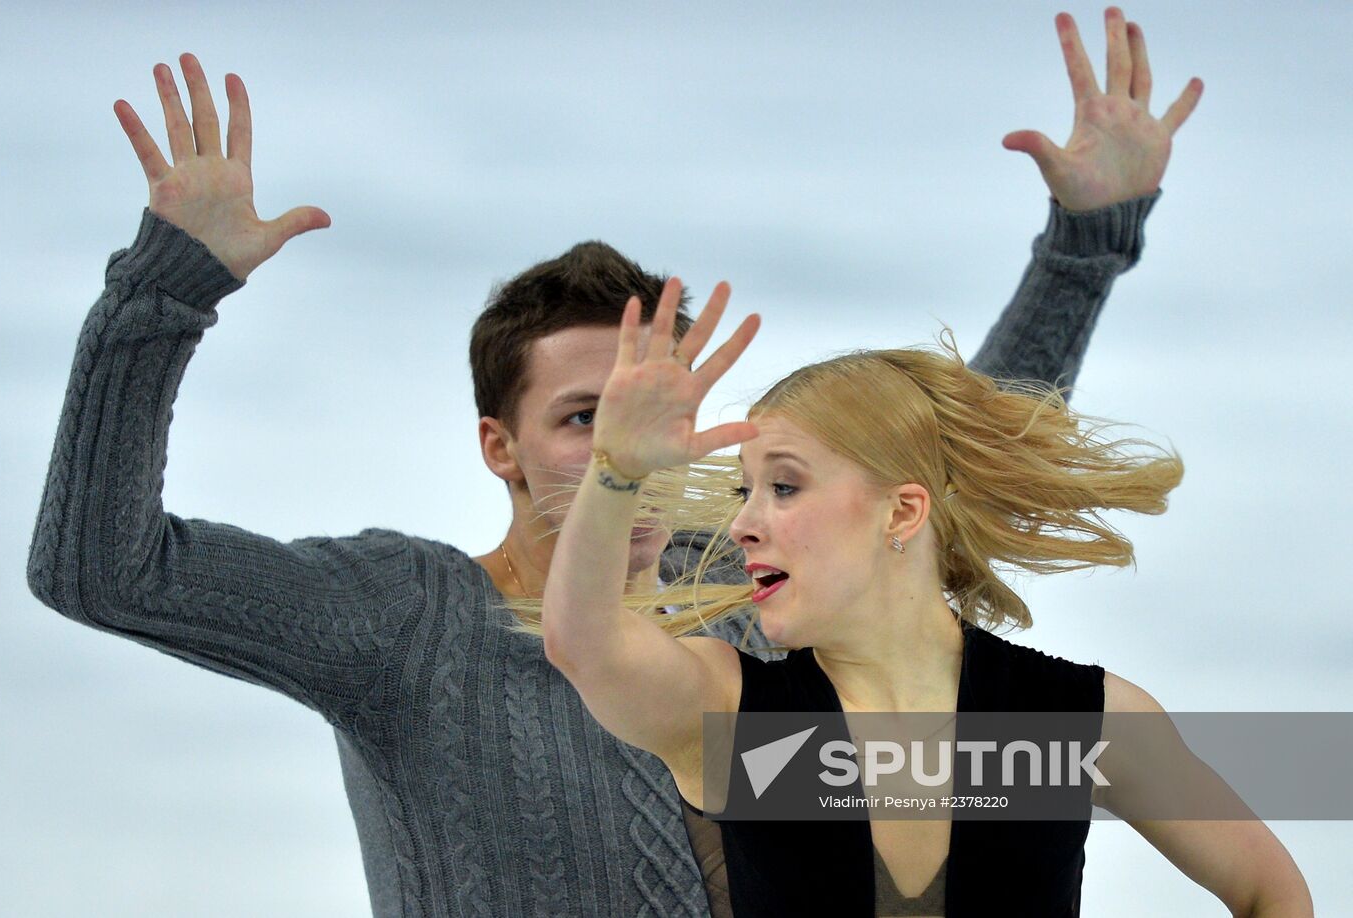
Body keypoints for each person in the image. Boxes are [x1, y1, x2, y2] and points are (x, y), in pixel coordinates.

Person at [26, 7, 1198, 916]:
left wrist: (1083, 247)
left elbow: (945, 462)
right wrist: (163, 298)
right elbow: (99, 571)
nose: (631, 447)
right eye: (584, 416)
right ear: (499, 445)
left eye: (660, 407)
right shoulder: (406, 619)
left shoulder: (755, 595)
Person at [539, 280, 1314, 915]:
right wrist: (616, 470)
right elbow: (585, 645)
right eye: (745, 491)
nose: (741, 523)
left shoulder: (1080, 720)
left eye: (783, 486)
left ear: (903, 512)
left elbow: (1269, 892)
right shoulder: (733, 717)